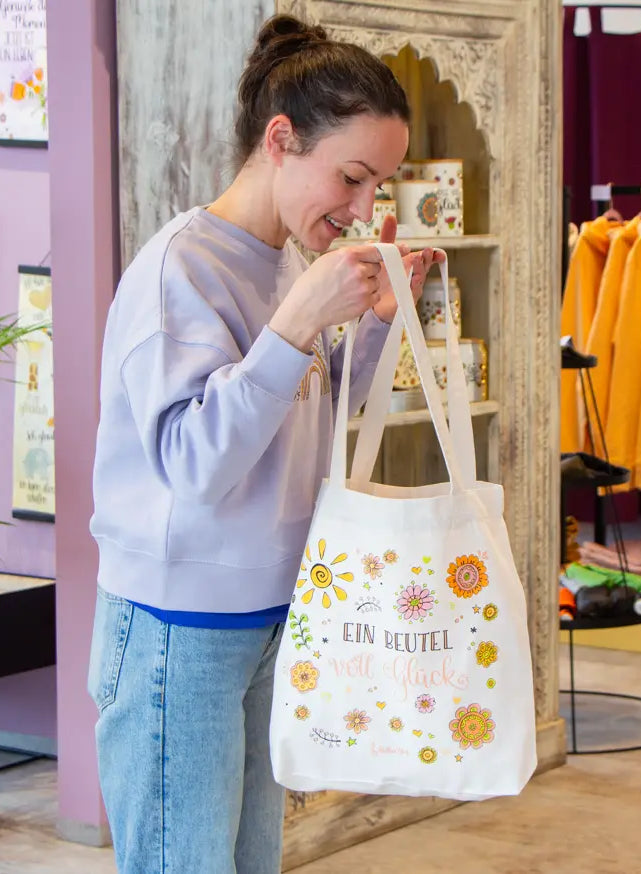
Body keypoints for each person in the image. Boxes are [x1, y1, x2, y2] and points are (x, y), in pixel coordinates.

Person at [87, 13, 443, 874]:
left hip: (274, 617)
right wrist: (294, 327)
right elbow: (197, 467)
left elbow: (304, 418)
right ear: (281, 139)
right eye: (352, 178)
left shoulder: (289, 260)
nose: (362, 210)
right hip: (179, 627)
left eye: (377, 187)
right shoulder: (182, 269)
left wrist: (372, 331)